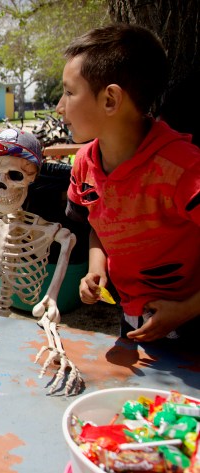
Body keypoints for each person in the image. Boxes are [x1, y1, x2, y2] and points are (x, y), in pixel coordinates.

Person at [61, 23, 200, 344]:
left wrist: (186, 310)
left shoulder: (182, 169)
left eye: (69, 92)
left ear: (110, 99)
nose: (60, 106)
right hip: (133, 318)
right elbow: (98, 222)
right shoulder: (84, 165)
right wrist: (97, 269)